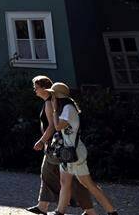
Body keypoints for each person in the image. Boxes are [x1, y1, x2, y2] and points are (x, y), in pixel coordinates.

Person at [48, 83, 119, 215]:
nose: (51, 98)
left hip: (75, 152)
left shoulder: (68, 109)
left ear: (57, 96)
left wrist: (53, 109)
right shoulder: (64, 109)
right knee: (65, 182)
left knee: (88, 184)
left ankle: (111, 211)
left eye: (52, 95)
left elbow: (57, 126)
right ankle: (60, 212)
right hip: (67, 153)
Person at [29, 76, 95, 214]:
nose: (34, 89)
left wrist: (42, 141)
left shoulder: (50, 103)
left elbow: (53, 126)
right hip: (56, 145)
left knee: (64, 177)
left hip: (57, 146)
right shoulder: (52, 102)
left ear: (43, 88)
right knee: (56, 175)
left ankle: (87, 209)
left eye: (36, 87)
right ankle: (44, 206)